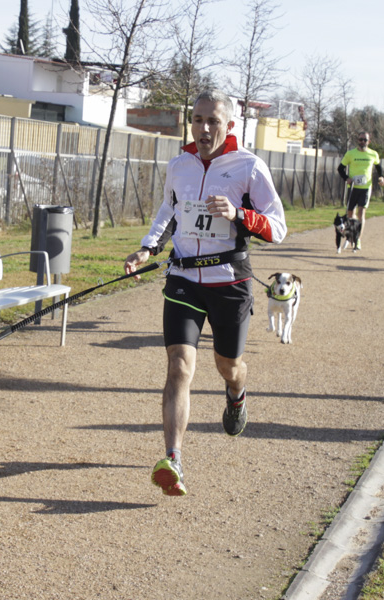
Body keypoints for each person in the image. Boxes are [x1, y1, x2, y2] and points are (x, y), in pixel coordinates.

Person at [123, 89, 287, 497]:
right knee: (179, 367)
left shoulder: (249, 166)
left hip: (230, 282)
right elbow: (169, 211)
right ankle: (172, 460)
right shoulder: (179, 164)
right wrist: (147, 248)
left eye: (213, 120)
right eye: (197, 119)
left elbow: (278, 227)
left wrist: (239, 215)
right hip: (183, 279)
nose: (204, 128)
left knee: (228, 366)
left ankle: (237, 393)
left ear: (229, 125)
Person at [337, 132, 384, 249]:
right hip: (353, 188)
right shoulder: (350, 154)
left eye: (365, 140)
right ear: (357, 140)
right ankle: (350, 235)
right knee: (350, 214)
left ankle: (357, 239)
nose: (362, 142)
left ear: (369, 142)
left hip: (365, 188)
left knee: (361, 213)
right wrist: (346, 178)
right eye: (361, 139)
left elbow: (379, 167)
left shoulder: (373, 154)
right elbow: (340, 168)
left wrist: (381, 177)